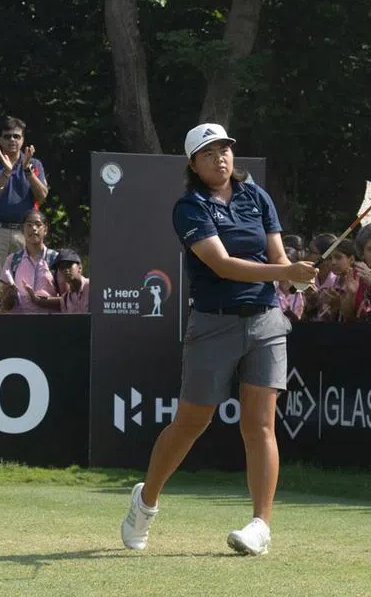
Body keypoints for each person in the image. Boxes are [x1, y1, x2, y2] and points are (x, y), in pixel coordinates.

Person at [120, 122, 316, 556]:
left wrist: (297, 278)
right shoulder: (189, 207)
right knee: (192, 421)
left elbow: (278, 256)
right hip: (214, 322)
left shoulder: (256, 197)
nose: (220, 157)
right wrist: (285, 273)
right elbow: (222, 264)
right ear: (194, 164)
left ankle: (260, 525)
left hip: (265, 320)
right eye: (209, 153)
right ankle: (145, 503)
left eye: (225, 149)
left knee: (260, 424)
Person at [0, 116, 49, 294]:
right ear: (0, 139)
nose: (12, 140)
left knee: (26, 286)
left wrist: (27, 171)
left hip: (26, 232)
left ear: (23, 139)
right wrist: (5, 174)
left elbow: (42, 197)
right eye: (7, 136)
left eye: (16, 136)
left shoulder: (34, 164)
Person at [0, 210, 58, 314]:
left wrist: (39, 301)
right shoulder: (12, 260)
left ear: (46, 229)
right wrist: (9, 296)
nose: (33, 229)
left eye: (38, 225)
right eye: (29, 225)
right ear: (23, 229)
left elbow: (67, 299)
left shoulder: (55, 259)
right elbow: (4, 303)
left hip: (50, 323)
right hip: (19, 324)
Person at [19, 247, 90, 313]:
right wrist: (34, 298)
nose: (65, 270)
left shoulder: (91, 287)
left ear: (80, 268)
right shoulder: (65, 299)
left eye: (68, 265)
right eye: (61, 268)